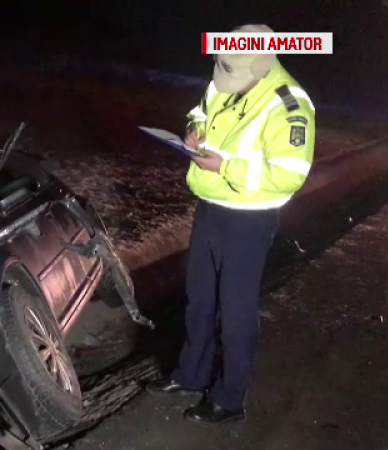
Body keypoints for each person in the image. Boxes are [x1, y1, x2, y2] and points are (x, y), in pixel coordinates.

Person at [146, 24, 316, 424]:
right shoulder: (227, 73)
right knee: (199, 298)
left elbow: (289, 174)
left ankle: (229, 399)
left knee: (235, 309)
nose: (226, 82)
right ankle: (190, 376)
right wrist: (195, 128)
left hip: (249, 218)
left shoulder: (290, 104)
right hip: (210, 206)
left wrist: (226, 166)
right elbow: (202, 108)